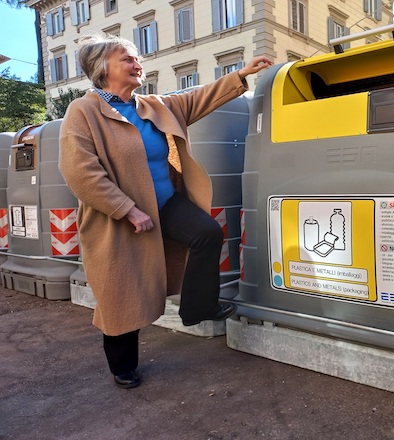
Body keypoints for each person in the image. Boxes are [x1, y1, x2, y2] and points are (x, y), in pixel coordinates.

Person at [58, 34, 272, 389]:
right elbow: (80, 171)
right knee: (121, 294)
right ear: (102, 68)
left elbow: (197, 97)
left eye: (136, 57)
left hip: (165, 203)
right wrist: (126, 209)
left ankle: (197, 308)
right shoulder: (84, 112)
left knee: (206, 232)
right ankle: (122, 367)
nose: (136, 63)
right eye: (126, 58)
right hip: (116, 217)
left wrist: (241, 75)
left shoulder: (153, 105)